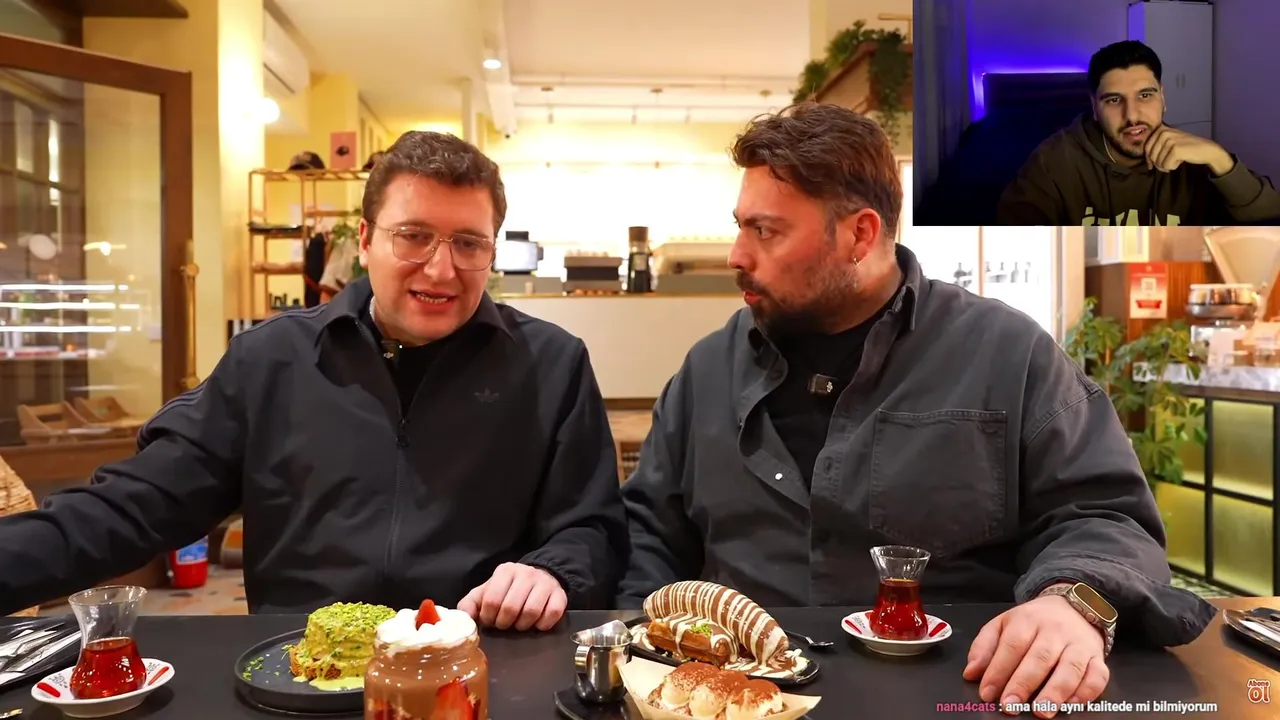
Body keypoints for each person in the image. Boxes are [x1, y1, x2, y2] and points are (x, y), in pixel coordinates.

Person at [618, 102, 1215, 712]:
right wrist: (633, 658)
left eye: (765, 231)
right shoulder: (706, 372)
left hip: (957, 695)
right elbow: (647, 534)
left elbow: (1105, 516)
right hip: (737, 698)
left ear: (860, 234)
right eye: (740, 226)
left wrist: (1070, 601)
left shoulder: (1007, 355)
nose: (736, 255)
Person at [0, 131, 629, 633]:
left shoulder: (551, 364)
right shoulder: (270, 361)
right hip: (296, 671)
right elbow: (137, 505)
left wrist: (552, 572)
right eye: (413, 236)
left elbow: (593, 527)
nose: (441, 269)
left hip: (481, 663)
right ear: (366, 240)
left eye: (469, 243)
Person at [997, 40, 1280, 226]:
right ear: (1094, 107)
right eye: (1114, 100)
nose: (1132, 115)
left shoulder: (1195, 160)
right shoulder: (1053, 161)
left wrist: (1218, 158)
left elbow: (1270, 218)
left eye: (1145, 95)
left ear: (1162, 97)